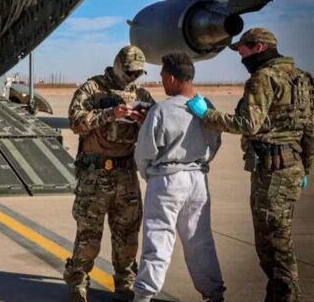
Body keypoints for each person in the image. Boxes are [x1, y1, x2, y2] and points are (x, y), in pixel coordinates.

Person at [188, 28, 314, 301]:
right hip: (292, 168)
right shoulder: (303, 78)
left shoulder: (263, 78)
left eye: (242, 50)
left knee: (273, 246)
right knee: (279, 238)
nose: (240, 56)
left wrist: (206, 115)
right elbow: (309, 129)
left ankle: (286, 296)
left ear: (257, 47)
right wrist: (305, 165)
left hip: (272, 173)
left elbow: (247, 124)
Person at [64, 45, 155, 301]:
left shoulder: (142, 94)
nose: (133, 77)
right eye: (129, 72)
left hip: (126, 174)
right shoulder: (92, 89)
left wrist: (143, 121)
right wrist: (109, 114)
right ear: (117, 65)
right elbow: (75, 120)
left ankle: (125, 283)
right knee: (88, 234)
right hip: (95, 175)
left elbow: (157, 130)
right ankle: (78, 282)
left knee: (127, 235)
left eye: (138, 73)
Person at [132, 53, 225, 302]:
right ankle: (214, 294)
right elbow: (215, 143)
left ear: (172, 78)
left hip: (167, 180)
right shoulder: (208, 108)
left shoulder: (161, 110)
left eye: (163, 77)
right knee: (200, 241)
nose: (162, 82)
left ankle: (144, 295)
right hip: (197, 180)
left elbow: (144, 152)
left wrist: (150, 175)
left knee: (158, 241)